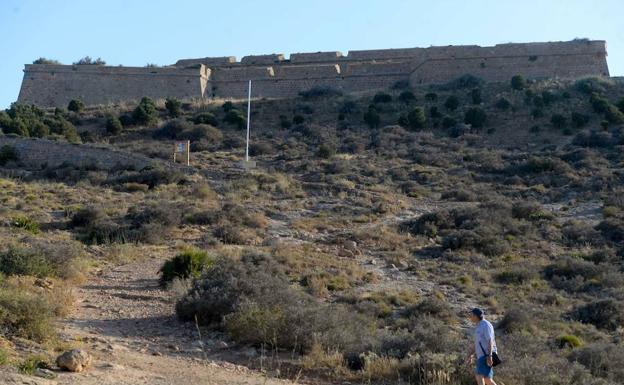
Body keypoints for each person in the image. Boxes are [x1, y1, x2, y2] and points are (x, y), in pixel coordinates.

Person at [466, 307, 498, 385]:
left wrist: (490, 356)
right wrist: (471, 355)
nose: (470, 317)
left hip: (486, 355)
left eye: (471, 315)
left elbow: (489, 341)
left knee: (479, 376)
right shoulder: (478, 327)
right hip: (483, 356)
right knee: (487, 379)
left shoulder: (486, 325)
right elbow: (477, 343)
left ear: (476, 316)